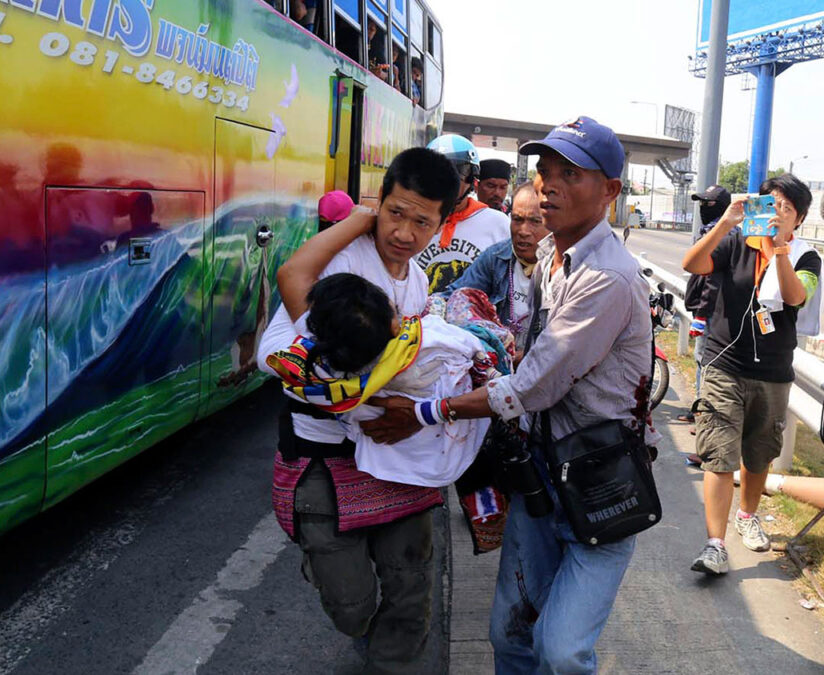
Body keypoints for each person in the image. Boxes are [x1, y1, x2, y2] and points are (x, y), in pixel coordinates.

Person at [361, 116, 655, 672]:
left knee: (562, 651)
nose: (550, 186)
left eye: (571, 174)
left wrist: (428, 410)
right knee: (510, 635)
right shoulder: (549, 258)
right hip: (540, 473)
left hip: (601, 480)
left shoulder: (607, 279)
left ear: (611, 191)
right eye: (545, 173)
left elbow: (531, 386)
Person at [256, 146, 459, 673]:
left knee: (411, 585)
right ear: (379, 204)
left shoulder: (416, 281)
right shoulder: (344, 264)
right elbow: (295, 330)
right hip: (323, 456)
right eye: (395, 213)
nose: (404, 233)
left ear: (440, 226)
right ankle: (335, 585)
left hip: (396, 456)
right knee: (352, 608)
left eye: (422, 221)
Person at [681, 173, 823, 575]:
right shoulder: (736, 241)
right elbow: (692, 264)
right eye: (770, 204)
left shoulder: (804, 257)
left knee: (759, 454)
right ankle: (714, 544)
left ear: (800, 218)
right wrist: (726, 222)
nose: (777, 213)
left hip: (774, 372)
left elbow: (796, 296)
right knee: (718, 455)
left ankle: (747, 514)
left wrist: (779, 251)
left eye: (787, 208)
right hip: (724, 363)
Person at [264, 273, 492, 488]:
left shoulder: (323, 379)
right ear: (394, 327)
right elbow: (474, 348)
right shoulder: (430, 340)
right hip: (443, 459)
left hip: (386, 464)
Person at [448, 182, 549, 342]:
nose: (523, 231)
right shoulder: (496, 257)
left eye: (535, 222)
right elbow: (455, 296)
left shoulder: (566, 268)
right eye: (517, 219)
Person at [417, 134, 510, 293]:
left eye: (457, 173)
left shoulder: (499, 223)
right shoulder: (412, 218)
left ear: (472, 179)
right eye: (436, 173)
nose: (445, 182)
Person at [679, 186, 732, 432]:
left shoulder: (721, 236)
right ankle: (700, 414)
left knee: (706, 363)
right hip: (707, 308)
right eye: (701, 203)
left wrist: (701, 314)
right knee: (703, 362)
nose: (703, 208)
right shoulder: (709, 232)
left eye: (709, 204)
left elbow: (713, 278)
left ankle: (703, 418)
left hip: (712, 311)